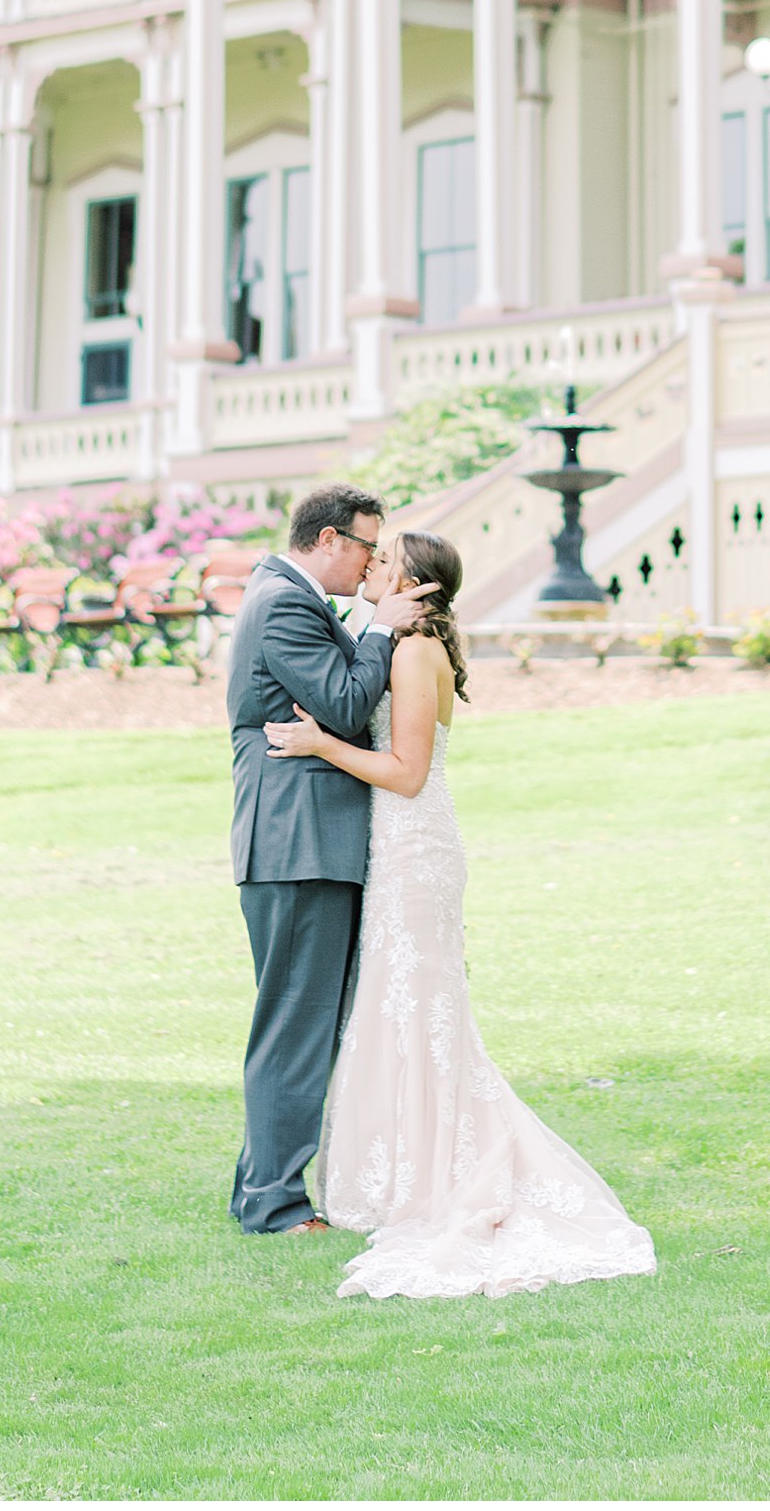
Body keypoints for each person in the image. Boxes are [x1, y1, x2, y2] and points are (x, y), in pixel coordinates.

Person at [264, 528, 658, 1302]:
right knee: (405, 1005)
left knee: (419, 1007)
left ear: (417, 585)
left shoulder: (413, 655)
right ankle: (405, 1165)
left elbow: (406, 774)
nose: (371, 569)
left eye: (384, 562)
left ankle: (434, 1173)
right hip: (405, 849)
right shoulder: (405, 647)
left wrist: (319, 743)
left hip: (414, 848)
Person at [225, 484, 434, 1235]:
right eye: (366, 547)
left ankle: (261, 1190)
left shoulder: (285, 596)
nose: (372, 560)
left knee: (299, 1021)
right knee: (297, 1024)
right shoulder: (285, 602)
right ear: (326, 540)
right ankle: (276, 1205)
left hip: (304, 842)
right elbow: (345, 704)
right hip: (299, 843)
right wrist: (380, 628)